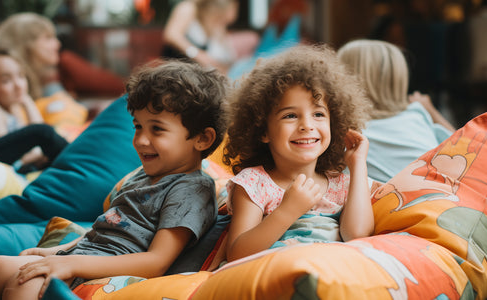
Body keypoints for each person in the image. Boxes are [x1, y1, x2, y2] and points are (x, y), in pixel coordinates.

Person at [0, 60, 229, 300]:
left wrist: (71, 263)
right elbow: (103, 232)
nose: (141, 140)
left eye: (157, 129)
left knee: (24, 284)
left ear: (202, 139)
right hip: (86, 254)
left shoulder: (191, 189)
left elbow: (156, 261)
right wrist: (56, 253)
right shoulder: (143, 175)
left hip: (110, 270)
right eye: (138, 126)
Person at [222, 44, 374, 262]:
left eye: (318, 114)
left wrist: (358, 165)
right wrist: (288, 210)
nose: (307, 125)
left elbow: (357, 235)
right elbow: (237, 254)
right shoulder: (254, 183)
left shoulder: (342, 184)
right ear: (263, 130)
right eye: (290, 116)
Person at [337, 39, 455, 183]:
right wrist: (431, 111)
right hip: (446, 196)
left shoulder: (346, 132)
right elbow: (466, 145)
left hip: (394, 202)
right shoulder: (416, 114)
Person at [0, 45, 67, 171]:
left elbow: (37, 146)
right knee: (43, 132)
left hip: (18, 166)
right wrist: (37, 152)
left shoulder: (13, 108)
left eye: (21, 76)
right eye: (6, 81)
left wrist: (27, 102)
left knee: (47, 139)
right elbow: (9, 154)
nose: (18, 85)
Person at [161, 0, 239, 74]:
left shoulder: (216, 16)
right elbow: (171, 35)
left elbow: (223, 52)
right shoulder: (188, 7)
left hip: (200, 72)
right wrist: (197, 54)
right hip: (178, 69)